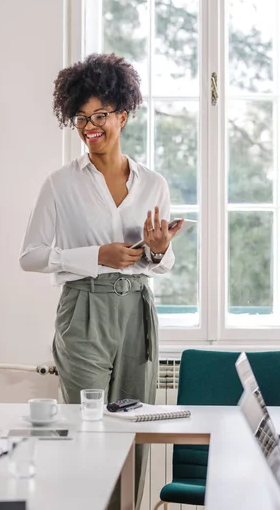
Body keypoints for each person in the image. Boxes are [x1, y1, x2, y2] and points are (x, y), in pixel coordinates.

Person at [19, 52, 182, 509]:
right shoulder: (59, 184)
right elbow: (30, 257)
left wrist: (158, 250)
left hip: (136, 309)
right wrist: (98, 256)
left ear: (123, 115)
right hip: (84, 308)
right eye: (81, 118)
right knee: (84, 429)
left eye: (101, 116)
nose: (91, 126)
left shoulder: (154, 184)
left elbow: (159, 264)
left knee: (135, 427)